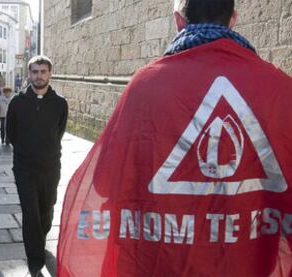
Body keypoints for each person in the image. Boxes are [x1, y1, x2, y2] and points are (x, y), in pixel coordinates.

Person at [57, 0, 292, 276]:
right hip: (246, 262)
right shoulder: (279, 88)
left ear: (179, 21)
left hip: (160, 263)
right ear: (233, 20)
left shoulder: (145, 86)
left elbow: (105, 183)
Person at [6, 55, 68, 277]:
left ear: (50, 73)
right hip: (24, 168)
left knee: (47, 209)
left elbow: (59, 132)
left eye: (43, 71)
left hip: (51, 167)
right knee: (30, 213)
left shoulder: (60, 103)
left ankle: (39, 239)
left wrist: (47, 150)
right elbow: (11, 133)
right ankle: (35, 259)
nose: (39, 76)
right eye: (35, 71)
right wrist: (26, 151)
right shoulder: (17, 102)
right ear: (29, 73)